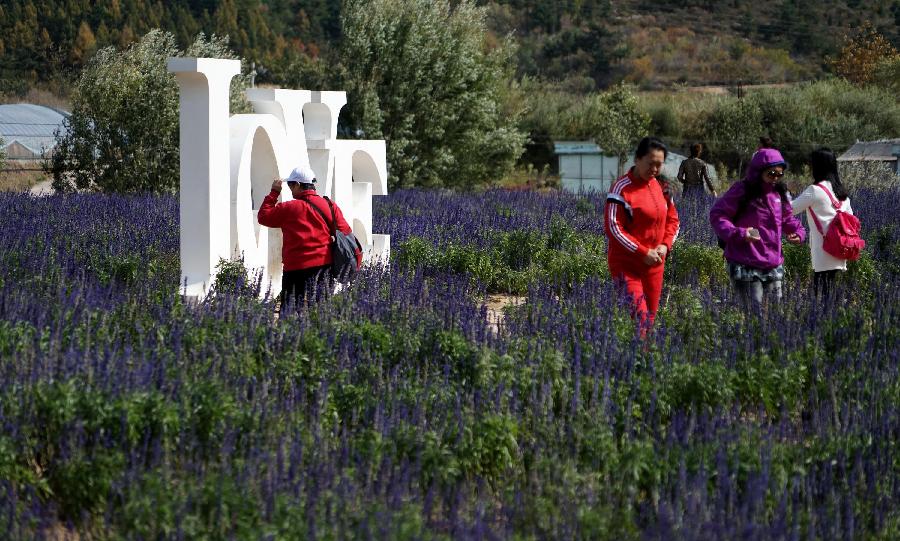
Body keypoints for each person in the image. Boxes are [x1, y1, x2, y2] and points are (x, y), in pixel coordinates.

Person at [710, 147, 806, 307]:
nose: (776, 178)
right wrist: (739, 233)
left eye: (780, 174)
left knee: (775, 314)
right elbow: (718, 215)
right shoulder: (742, 190)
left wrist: (799, 232)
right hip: (746, 263)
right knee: (754, 317)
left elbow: (787, 219)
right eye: (771, 173)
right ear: (758, 171)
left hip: (773, 264)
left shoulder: (779, 194)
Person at [257, 165, 359, 309]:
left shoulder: (289, 208)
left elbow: (263, 217)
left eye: (291, 186)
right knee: (320, 313)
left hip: (294, 268)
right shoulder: (329, 205)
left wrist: (274, 192)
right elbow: (346, 232)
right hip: (323, 266)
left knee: (290, 313)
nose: (291, 190)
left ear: (298, 185)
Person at [605, 136, 680, 331]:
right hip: (627, 266)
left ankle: (643, 360)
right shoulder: (621, 189)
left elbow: (673, 220)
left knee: (650, 322)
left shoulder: (661, 187)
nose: (655, 169)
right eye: (650, 163)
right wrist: (642, 252)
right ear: (637, 159)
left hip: (655, 266)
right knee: (640, 319)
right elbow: (614, 228)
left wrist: (665, 245)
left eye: (659, 165)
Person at [790, 148, 854, 298]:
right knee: (829, 290)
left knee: (820, 294)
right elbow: (851, 219)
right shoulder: (842, 193)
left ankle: (825, 321)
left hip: (824, 249)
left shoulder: (815, 190)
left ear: (817, 166)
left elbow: (789, 210)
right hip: (840, 248)